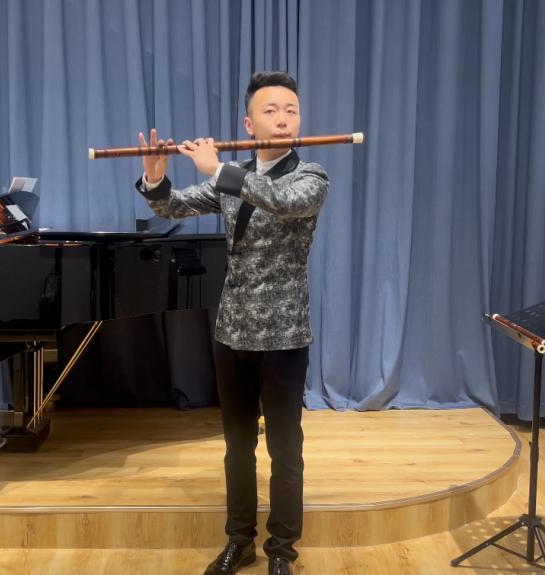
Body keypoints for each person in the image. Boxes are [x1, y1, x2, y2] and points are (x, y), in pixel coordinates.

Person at [136, 71, 328, 575]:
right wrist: (155, 178)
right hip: (232, 331)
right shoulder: (233, 174)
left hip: (284, 335)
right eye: (271, 110)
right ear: (249, 123)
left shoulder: (311, 176)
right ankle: (239, 540)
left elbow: (283, 202)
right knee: (237, 448)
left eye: (291, 110)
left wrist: (219, 168)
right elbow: (171, 206)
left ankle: (282, 550)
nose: (283, 118)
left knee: (286, 449)